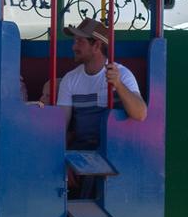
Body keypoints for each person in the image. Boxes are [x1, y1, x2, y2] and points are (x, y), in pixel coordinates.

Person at [57, 17, 147, 152]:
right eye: (74, 41)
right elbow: (60, 127)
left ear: (97, 46)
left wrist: (118, 84)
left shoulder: (122, 74)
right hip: (82, 156)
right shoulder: (70, 79)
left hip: (115, 154)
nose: (74, 46)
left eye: (80, 41)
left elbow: (140, 114)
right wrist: (63, 161)